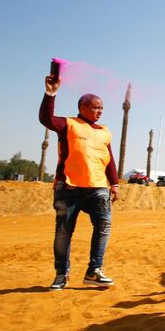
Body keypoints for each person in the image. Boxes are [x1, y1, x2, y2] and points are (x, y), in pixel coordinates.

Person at [39, 75, 118, 290]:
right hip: (69, 188)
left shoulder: (104, 132)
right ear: (82, 107)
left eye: (101, 108)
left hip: (98, 188)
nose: (100, 111)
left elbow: (109, 159)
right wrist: (51, 94)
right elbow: (46, 119)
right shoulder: (68, 125)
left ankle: (94, 271)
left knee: (103, 226)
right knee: (64, 231)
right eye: (95, 107)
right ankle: (61, 274)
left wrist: (115, 183)